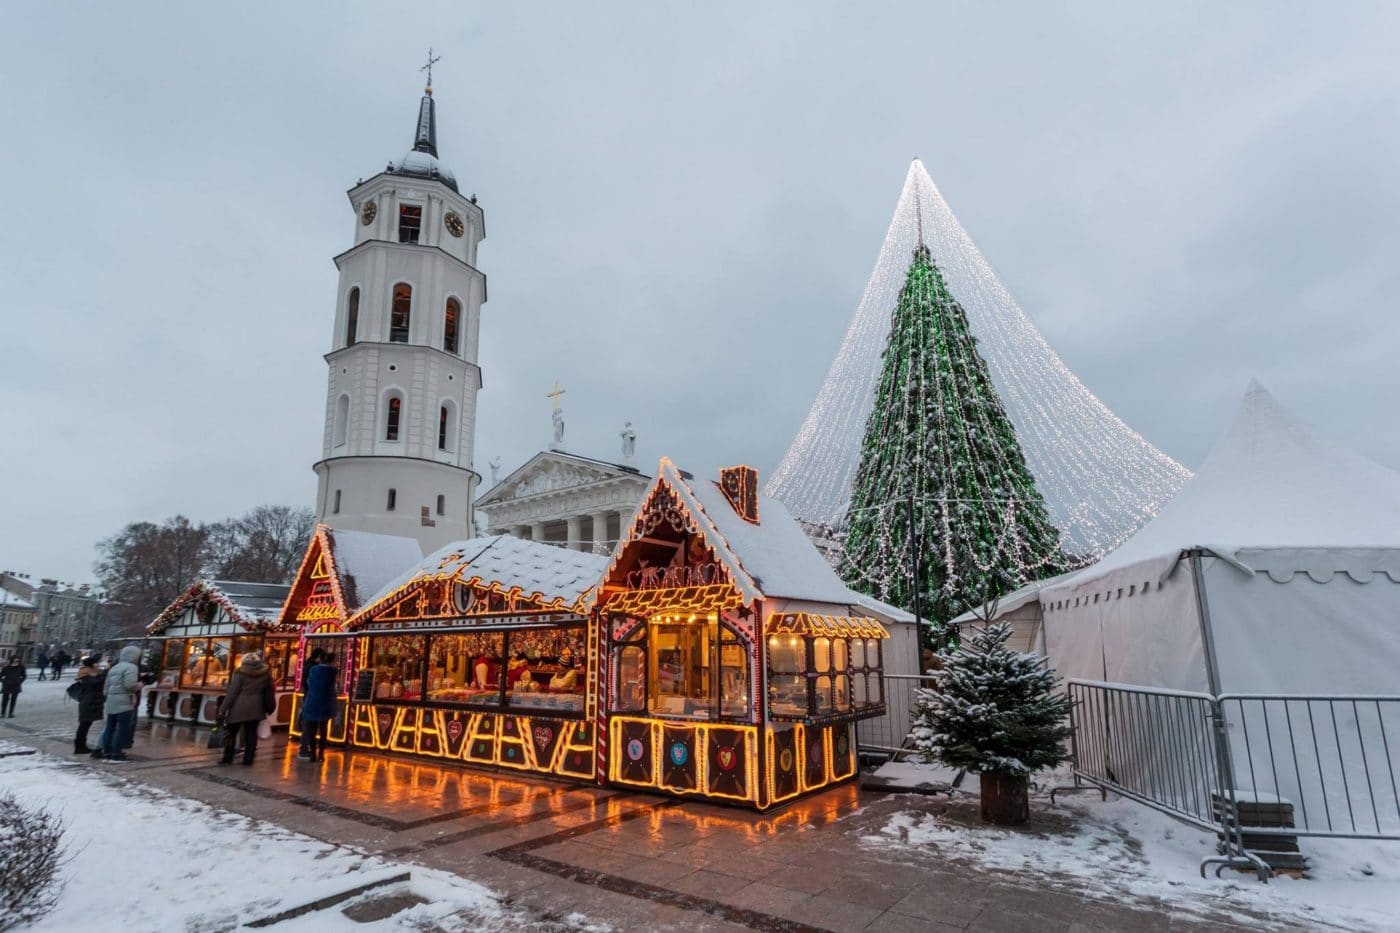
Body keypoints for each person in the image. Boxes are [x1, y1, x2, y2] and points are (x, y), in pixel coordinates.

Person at [219, 650, 275, 766]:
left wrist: (223, 708)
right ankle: (248, 759)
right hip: (257, 706)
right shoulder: (265, 673)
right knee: (251, 734)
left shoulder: (240, 672)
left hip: (239, 706)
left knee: (231, 732)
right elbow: (268, 690)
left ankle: (227, 757)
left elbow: (233, 692)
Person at [96, 645, 142, 762]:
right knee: (122, 728)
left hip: (111, 701)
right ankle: (116, 753)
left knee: (110, 727)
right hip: (124, 702)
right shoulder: (132, 667)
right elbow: (130, 686)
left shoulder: (114, 668)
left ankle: (107, 751)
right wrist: (141, 684)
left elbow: (106, 687)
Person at [299, 652, 338, 762]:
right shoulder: (333, 672)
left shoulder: (313, 670)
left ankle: (312, 754)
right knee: (323, 729)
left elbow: (308, 683)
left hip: (312, 702)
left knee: (312, 729)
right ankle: (321, 753)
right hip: (326, 703)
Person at [71, 655, 106, 753]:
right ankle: (79, 747)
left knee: (85, 725)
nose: (98, 665)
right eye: (96, 663)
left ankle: (81, 746)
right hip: (88, 702)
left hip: (90, 702)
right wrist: (104, 675)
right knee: (84, 724)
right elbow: (95, 683)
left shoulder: (91, 674)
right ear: (92, 665)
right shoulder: (86, 675)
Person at [296, 648, 325, 759]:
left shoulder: (307, 665)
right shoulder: (313, 668)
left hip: (309, 698)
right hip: (312, 698)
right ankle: (304, 749)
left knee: (310, 724)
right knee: (310, 725)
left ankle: (306, 748)